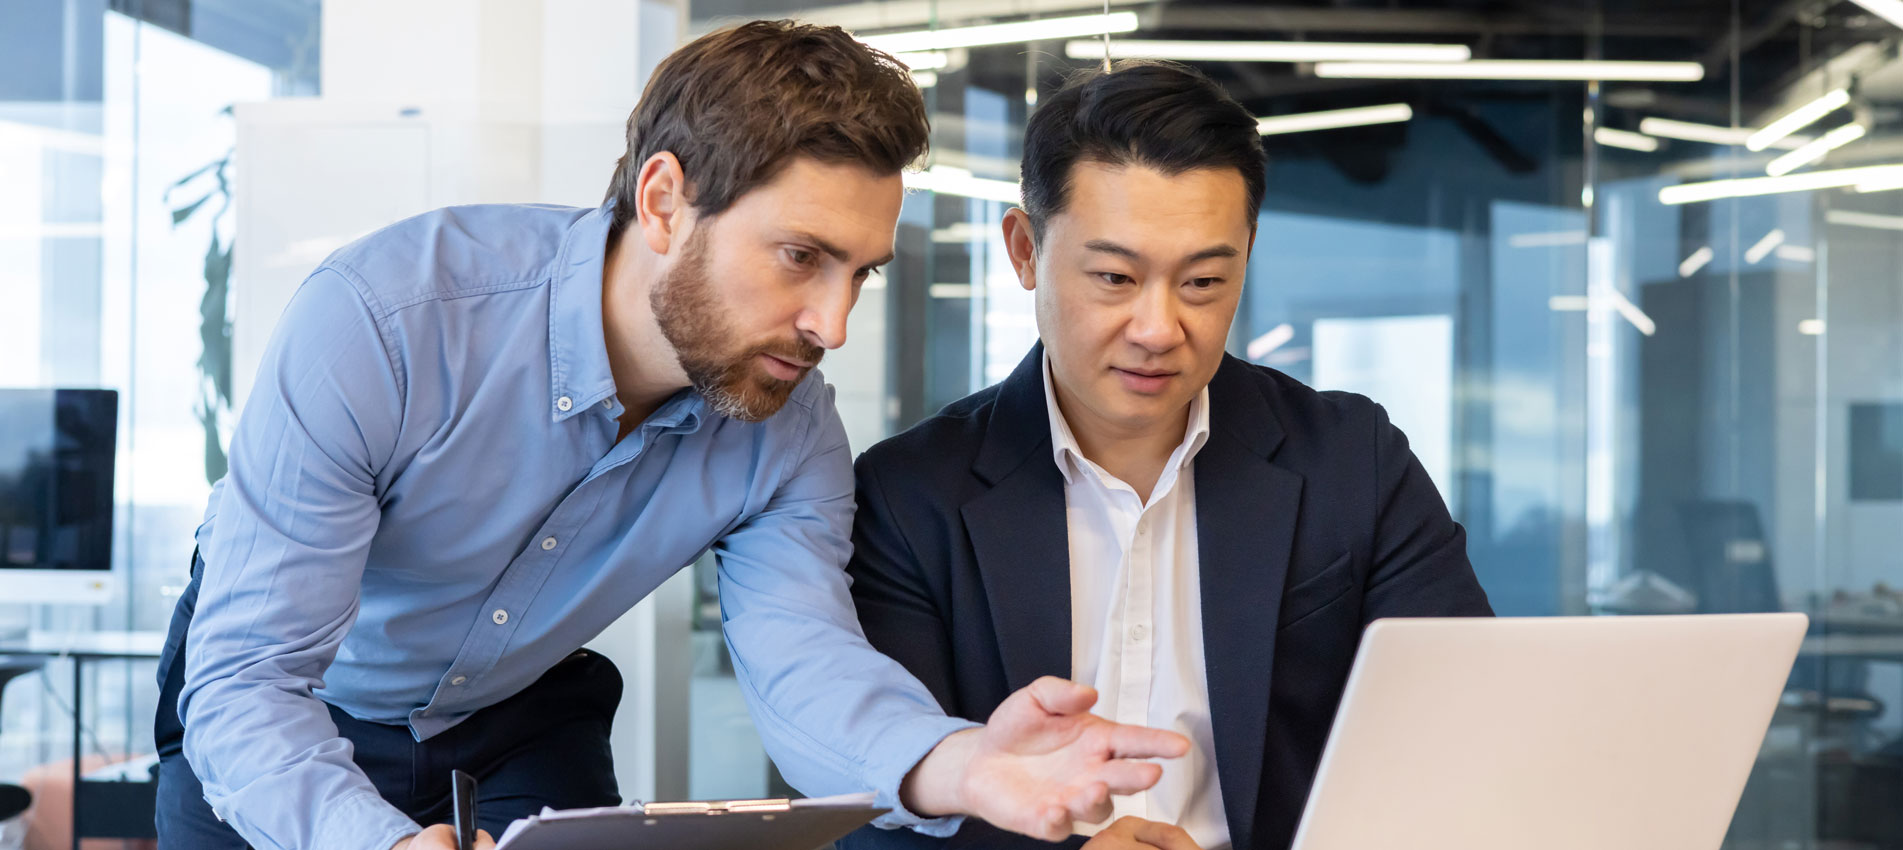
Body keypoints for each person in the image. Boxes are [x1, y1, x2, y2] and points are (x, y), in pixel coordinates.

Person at [153, 22, 1188, 850]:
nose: (832, 324)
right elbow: (248, 680)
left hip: (514, 718)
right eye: (800, 256)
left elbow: (804, 663)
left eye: (860, 272)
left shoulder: (788, 426)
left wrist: (963, 765)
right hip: (284, 708)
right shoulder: (387, 322)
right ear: (663, 201)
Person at [840, 62, 1494, 850]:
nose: (1158, 328)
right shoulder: (910, 495)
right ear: (1024, 250)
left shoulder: (1353, 463)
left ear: (1246, 256)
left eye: (1204, 281)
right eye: (1114, 277)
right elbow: (876, 810)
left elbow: (1463, 739)